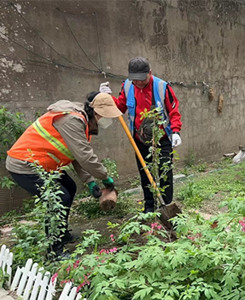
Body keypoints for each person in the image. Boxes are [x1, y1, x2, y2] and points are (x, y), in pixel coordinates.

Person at [6, 92, 122, 259]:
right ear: (95, 113)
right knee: (59, 198)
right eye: (104, 116)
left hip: (41, 164)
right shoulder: (72, 120)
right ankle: (54, 251)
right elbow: (85, 157)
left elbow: (76, 156)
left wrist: (90, 181)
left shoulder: (82, 122)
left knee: (69, 186)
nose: (106, 121)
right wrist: (104, 177)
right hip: (24, 165)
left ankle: (62, 235)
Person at [101, 57, 182, 213]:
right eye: (135, 80)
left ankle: (166, 206)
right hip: (140, 140)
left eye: (142, 79)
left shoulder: (162, 87)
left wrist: (176, 131)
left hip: (162, 139)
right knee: (146, 174)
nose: (138, 83)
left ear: (149, 73)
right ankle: (149, 207)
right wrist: (108, 98)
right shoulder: (127, 87)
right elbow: (120, 108)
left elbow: (174, 111)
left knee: (165, 173)